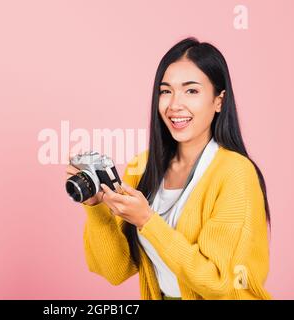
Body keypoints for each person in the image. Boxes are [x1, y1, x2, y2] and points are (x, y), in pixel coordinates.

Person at [65, 37, 271, 300]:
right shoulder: (143, 167)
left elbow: (219, 283)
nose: (175, 104)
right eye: (166, 91)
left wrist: (148, 221)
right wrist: (96, 208)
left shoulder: (236, 173)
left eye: (191, 91)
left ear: (219, 101)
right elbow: (115, 271)